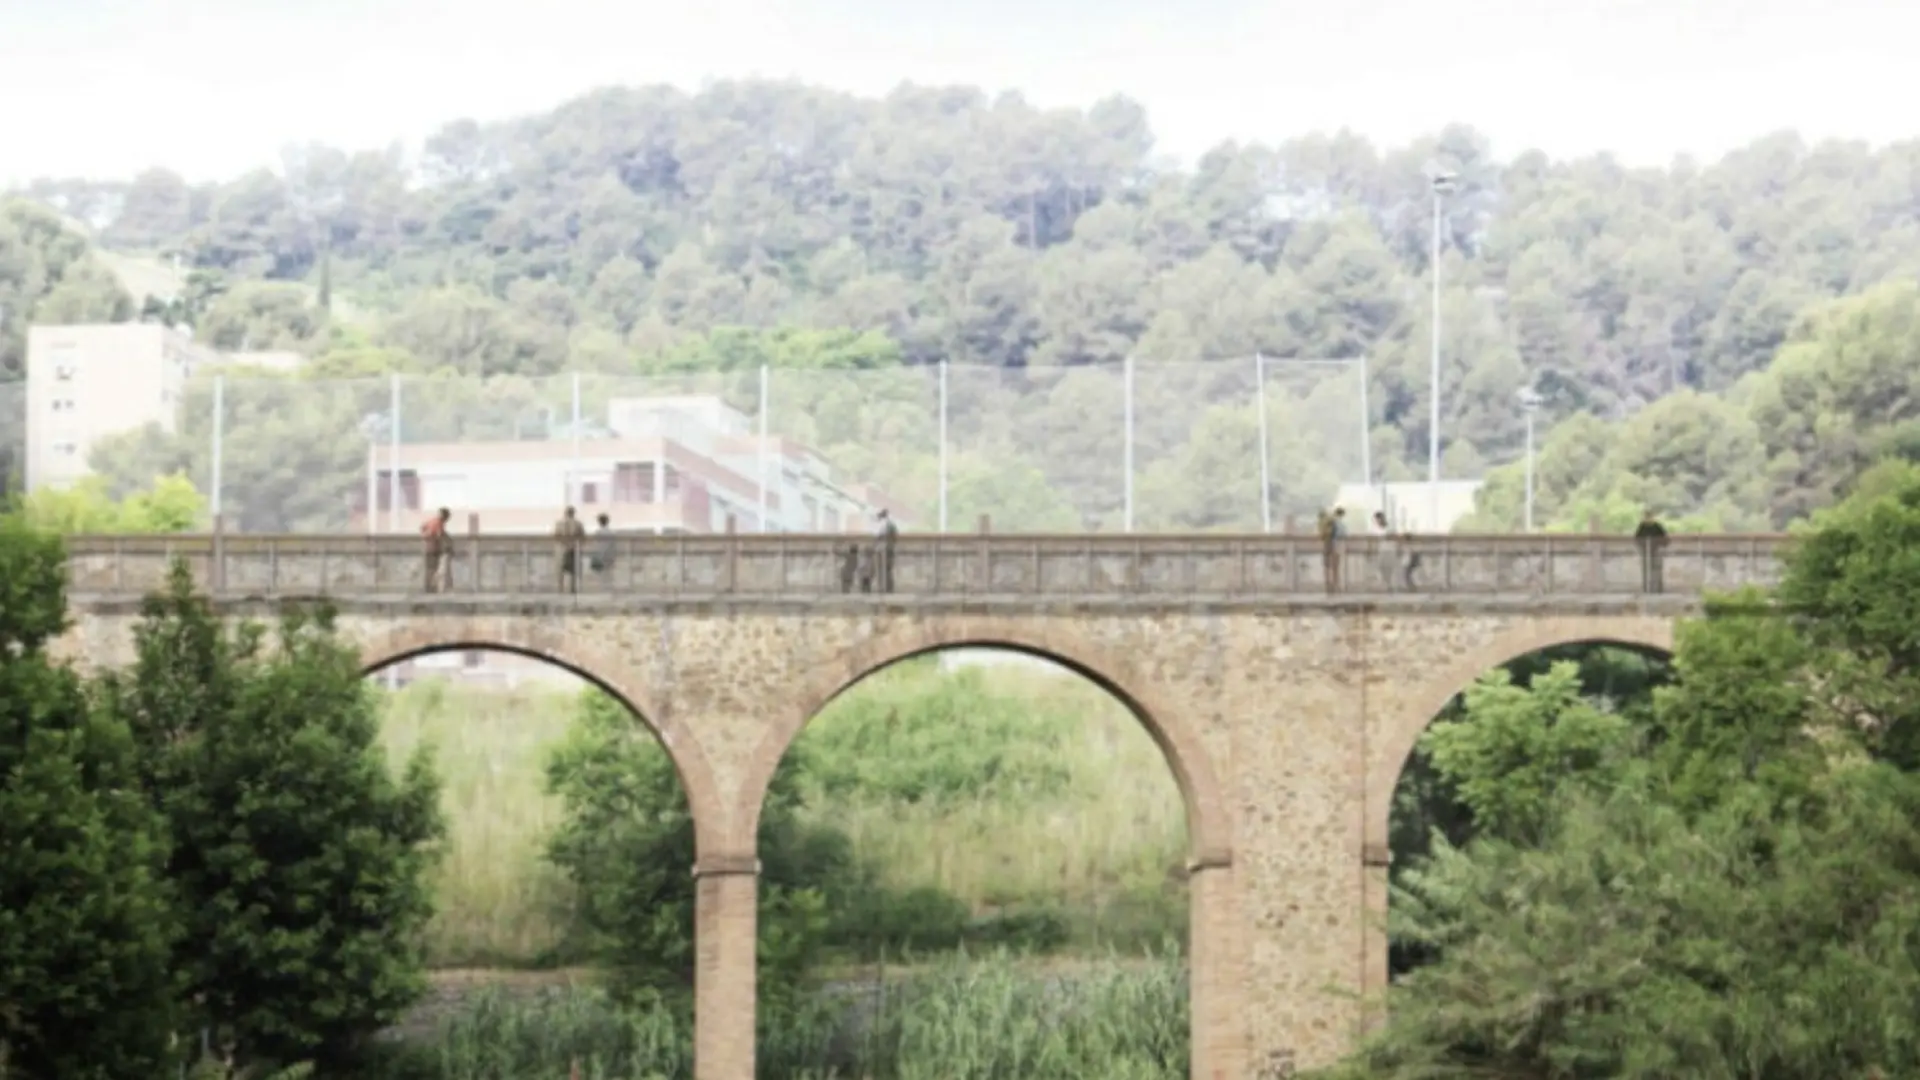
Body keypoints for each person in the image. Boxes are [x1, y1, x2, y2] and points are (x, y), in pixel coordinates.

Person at [553, 506, 587, 594]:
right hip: (574, 548)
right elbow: (582, 536)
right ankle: (572, 588)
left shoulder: (559, 523)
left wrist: (565, 542)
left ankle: (560, 588)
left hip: (562, 548)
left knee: (561, 569)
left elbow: (556, 536)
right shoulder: (578, 523)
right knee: (574, 569)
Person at [1634, 509, 1669, 593]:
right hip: (1646, 552)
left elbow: (1665, 539)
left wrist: (1658, 545)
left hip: (1656, 552)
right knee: (1646, 571)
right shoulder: (1642, 526)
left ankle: (1657, 589)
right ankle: (1646, 589)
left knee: (1656, 571)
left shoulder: (1657, 526)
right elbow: (1637, 539)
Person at [420, 507, 453, 593]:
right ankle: (430, 588)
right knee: (432, 569)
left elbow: (423, 527)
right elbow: (439, 535)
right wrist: (447, 545)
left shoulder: (432, 521)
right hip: (433, 549)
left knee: (429, 569)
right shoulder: (439, 523)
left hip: (428, 548)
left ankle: (428, 588)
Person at [1320, 506, 1347, 593]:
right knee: (1335, 567)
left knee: (1328, 566)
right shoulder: (1338, 523)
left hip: (1328, 544)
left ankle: (1329, 585)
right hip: (1335, 545)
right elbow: (1343, 534)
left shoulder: (1329, 523)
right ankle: (1335, 586)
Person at [1370, 511, 1398, 591]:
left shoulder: (1389, 527)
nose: (1376, 521)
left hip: (1390, 549)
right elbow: (1374, 540)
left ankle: (1389, 585)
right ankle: (1386, 584)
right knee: (1381, 567)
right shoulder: (1375, 529)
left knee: (1389, 568)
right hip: (1382, 549)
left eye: (1377, 519)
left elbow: (1394, 537)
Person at [873, 509, 899, 593]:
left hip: (887, 549)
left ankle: (886, 588)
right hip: (886, 549)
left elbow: (887, 537)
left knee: (885, 569)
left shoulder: (888, 525)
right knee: (885, 570)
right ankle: (886, 588)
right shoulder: (889, 524)